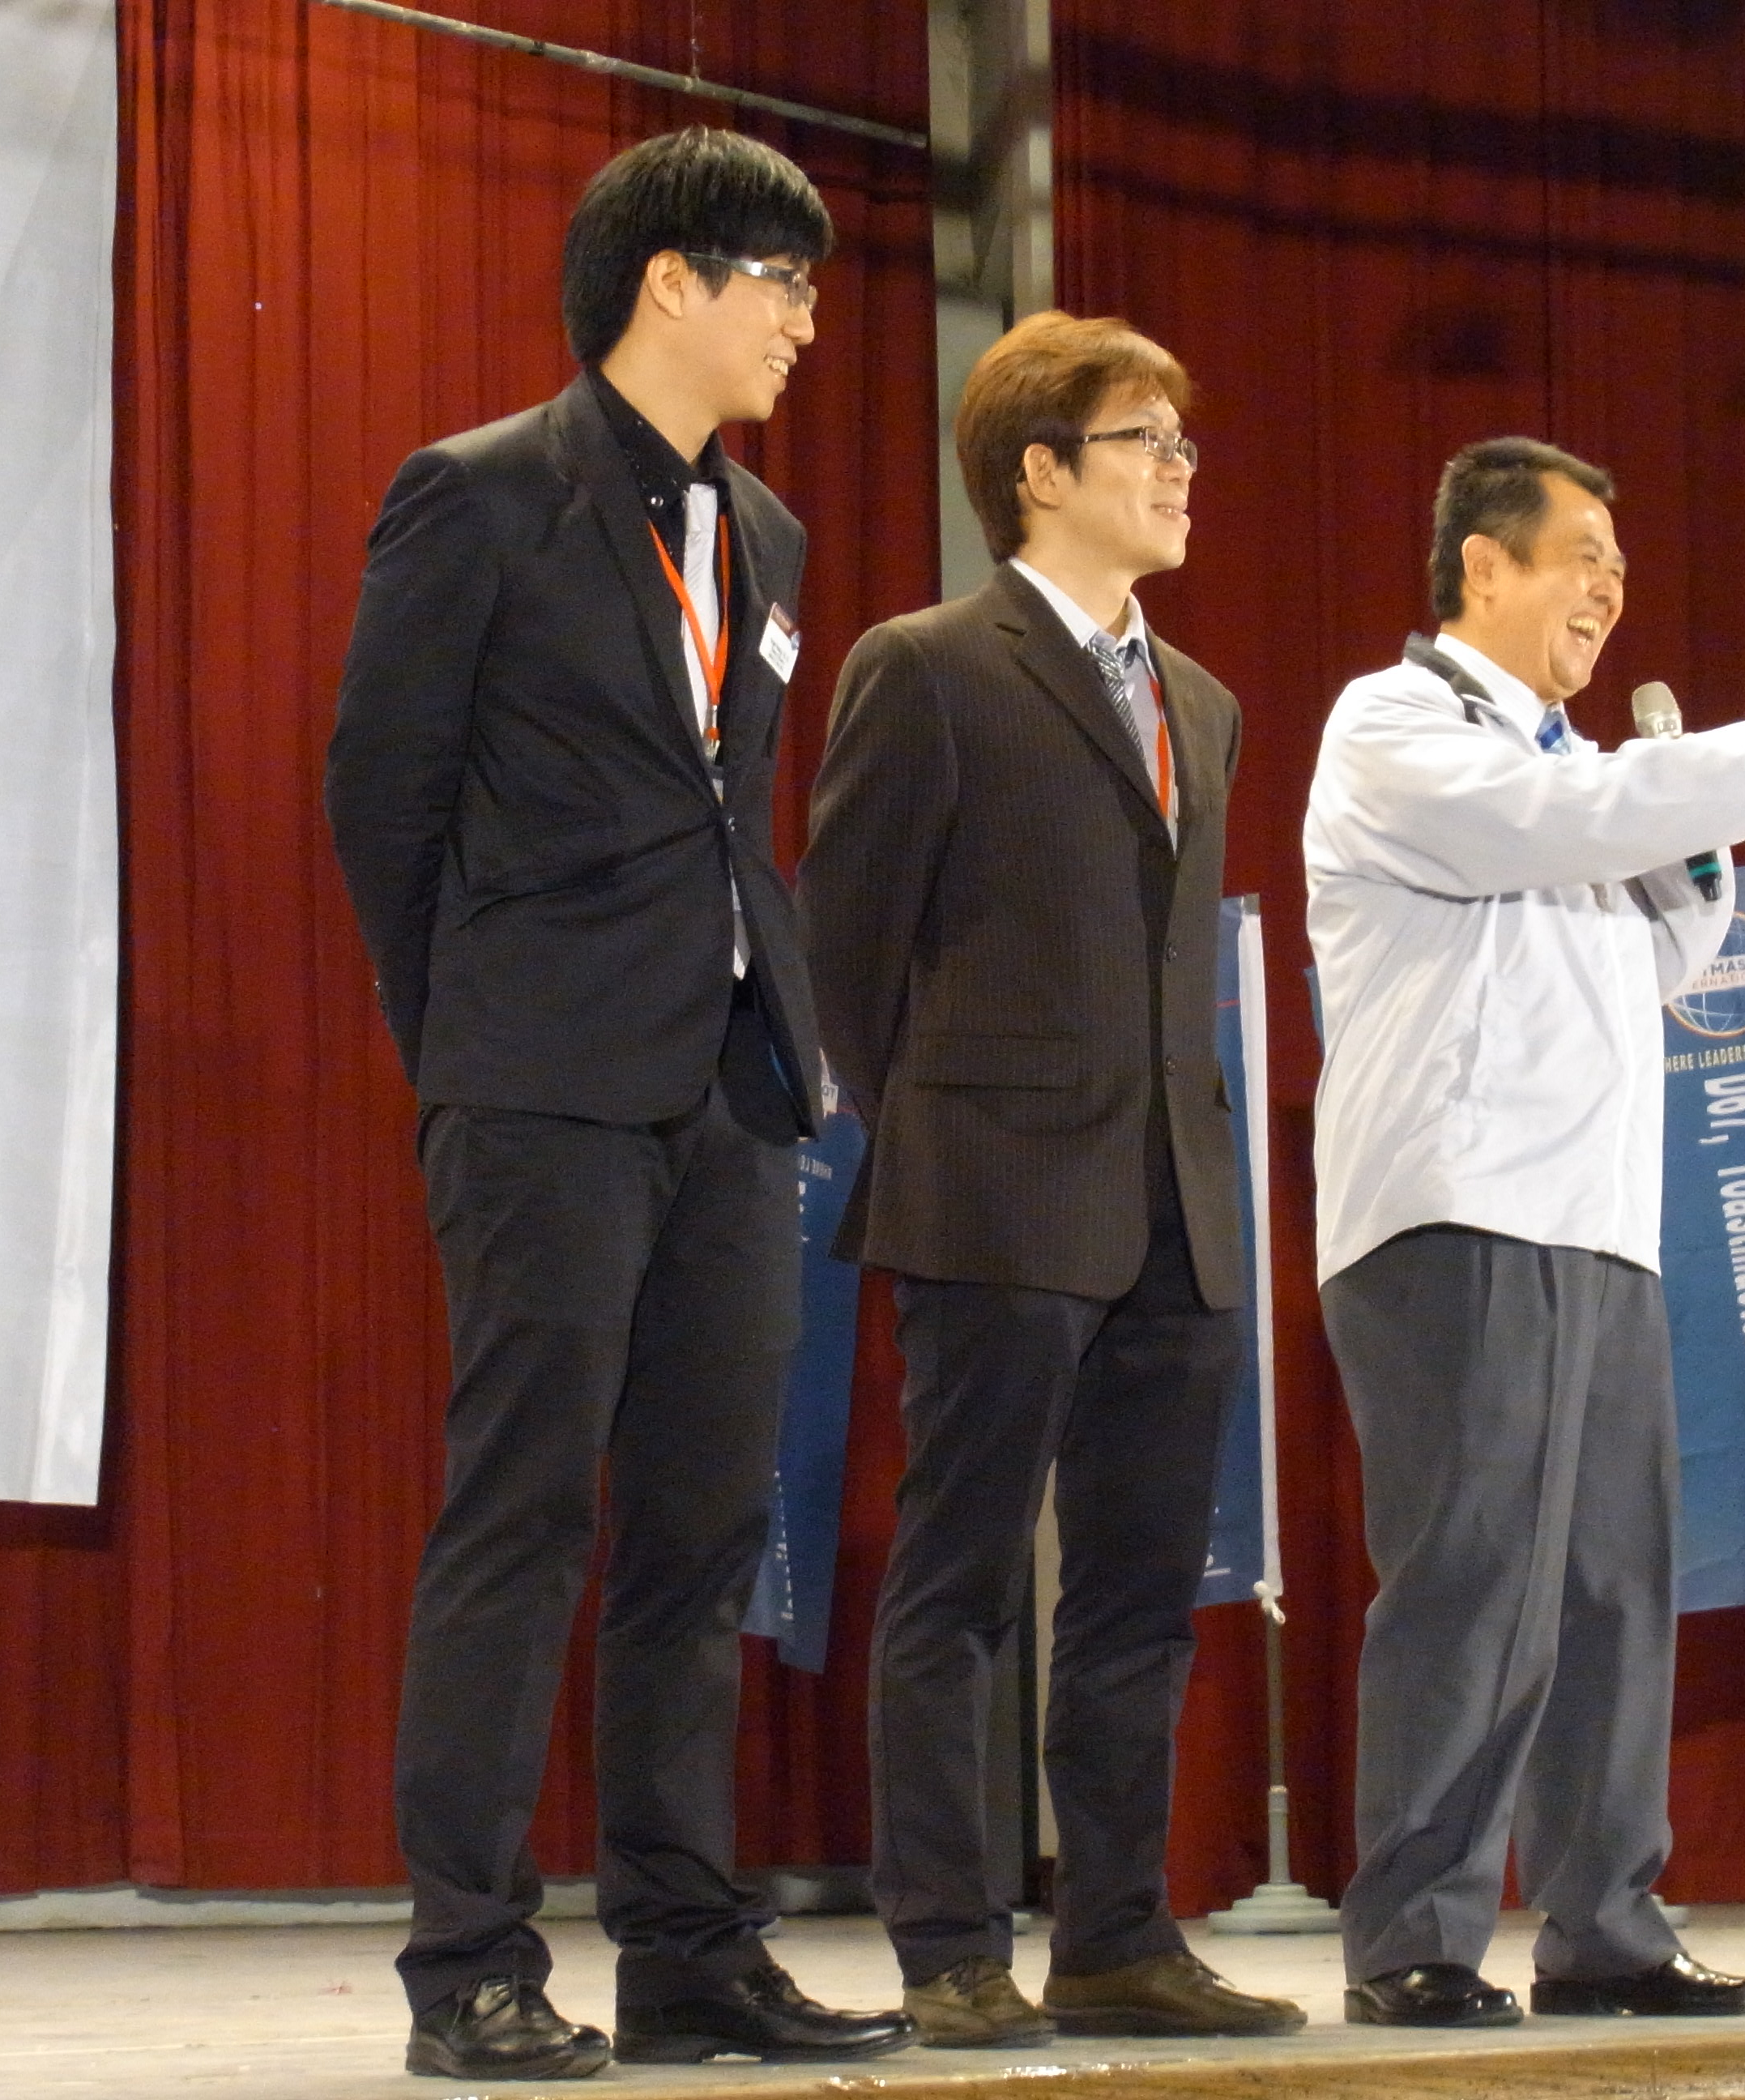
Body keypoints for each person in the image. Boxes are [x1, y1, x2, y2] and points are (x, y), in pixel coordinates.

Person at [325, 128, 913, 2080]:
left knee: (700, 1534)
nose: (807, 321)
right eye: (783, 281)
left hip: (734, 1091)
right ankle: (469, 1962)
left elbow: (730, 812)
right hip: (540, 1083)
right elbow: (382, 800)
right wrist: (474, 1043)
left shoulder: (772, 537)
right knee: (522, 1512)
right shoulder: (482, 494)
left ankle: (686, 1952)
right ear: (672, 279)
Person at [1304, 438, 1745, 2029]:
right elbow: (1546, 825)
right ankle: (1415, 1939)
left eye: (1620, 566)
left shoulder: (1581, 777)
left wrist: (1692, 854)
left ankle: (1606, 1927)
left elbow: (1657, 950)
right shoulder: (1397, 726)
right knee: (1476, 1580)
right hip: (1457, 1210)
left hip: (1598, 1223)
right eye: (1580, 555)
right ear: (1483, 567)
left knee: (1609, 1593)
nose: (1609, 588)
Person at [798, 312, 1303, 2050]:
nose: (1180, 471)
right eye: (1144, 441)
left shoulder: (1205, 704)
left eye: (1184, 443)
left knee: (1142, 1594)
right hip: (996, 1190)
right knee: (958, 1580)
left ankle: (1115, 1936)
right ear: (1040, 470)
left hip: (1178, 1201)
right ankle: (948, 1946)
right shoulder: (928, 665)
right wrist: (948, 1126)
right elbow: (848, 944)